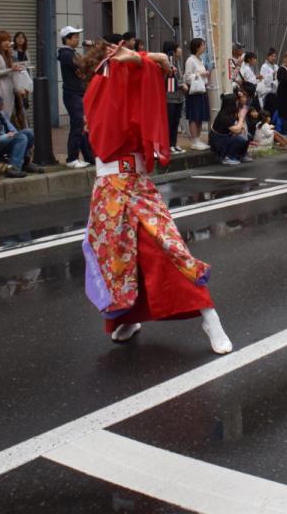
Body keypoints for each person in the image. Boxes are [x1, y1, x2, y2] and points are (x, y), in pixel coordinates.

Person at [77, 40, 232, 352]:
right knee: (119, 258)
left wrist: (143, 57)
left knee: (164, 248)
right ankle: (127, 318)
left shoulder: (110, 83)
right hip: (111, 187)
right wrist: (145, 57)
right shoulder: (103, 84)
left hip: (129, 185)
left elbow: (139, 69)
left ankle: (208, 315)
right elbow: (134, 68)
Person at [58, 26, 95, 168]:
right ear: (67, 39)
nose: (78, 39)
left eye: (78, 37)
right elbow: (84, 66)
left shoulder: (72, 52)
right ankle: (72, 158)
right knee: (77, 124)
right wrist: (93, 51)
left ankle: (88, 156)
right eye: (75, 37)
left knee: (82, 125)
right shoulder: (66, 54)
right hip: (73, 93)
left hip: (77, 92)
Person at [0, 91, 43, 176]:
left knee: (29, 133)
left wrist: (14, 135)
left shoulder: (0, 114)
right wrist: (7, 136)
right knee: (21, 138)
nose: (2, 103)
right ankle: (14, 167)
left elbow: (12, 129)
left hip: (5, 141)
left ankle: (25, 163)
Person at [0, 30, 27, 128]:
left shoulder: (6, 54)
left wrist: (16, 68)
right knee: (2, 114)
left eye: (8, 40)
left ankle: (7, 133)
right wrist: (10, 69)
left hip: (9, 88)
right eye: (4, 40)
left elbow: (10, 71)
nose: (7, 42)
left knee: (8, 115)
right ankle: (1, 134)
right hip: (0, 88)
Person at [183, 38, 211, 151]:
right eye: (203, 45)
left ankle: (198, 139)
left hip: (201, 90)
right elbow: (187, 77)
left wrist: (204, 76)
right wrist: (201, 74)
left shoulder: (200, 60)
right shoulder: (190, 60)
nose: (204, 47)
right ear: (197, 47)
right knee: (194, 116)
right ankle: (194, 141)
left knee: (200, 116)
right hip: (194, 92)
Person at [159, 41, 186, 156]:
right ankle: (168, 144)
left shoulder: (177, 62)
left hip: (179, 97)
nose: (180, 49)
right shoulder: (165, 62)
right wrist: (181, 85)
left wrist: (182, 84)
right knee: (169, 122)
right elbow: (169, 83)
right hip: (170, 98)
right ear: (173, 50)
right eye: (178, 47)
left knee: (175, 121)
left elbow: (179, 77)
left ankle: (174, 143)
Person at [210, 93, 251, 165]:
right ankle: (228, 157)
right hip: (218, 140)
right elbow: (236, 130)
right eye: (236, 102)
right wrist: (241, 118)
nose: (237, 103)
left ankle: (241, 155)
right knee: (240, 139)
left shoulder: (230, 113)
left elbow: (238, 129)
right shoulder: (224, 116)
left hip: (226, 137)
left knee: (248, 136)